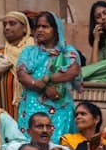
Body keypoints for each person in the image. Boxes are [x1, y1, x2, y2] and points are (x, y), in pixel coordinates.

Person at [16, 10, 81, 138]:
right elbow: (21, 74)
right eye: (37, 27)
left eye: (45, 26)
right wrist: (43, 87)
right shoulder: (29, 52)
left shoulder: (66, 51)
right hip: (31, 107)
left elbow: (73, 71)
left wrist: (47, 79)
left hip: (59, 106)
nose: (40, 30)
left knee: (57, 147)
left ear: (56, 30)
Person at [0, 10, 33, 115]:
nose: (7, 28)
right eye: (4, 25)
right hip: (3, 108)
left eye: (12, 24)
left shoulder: (33, 52)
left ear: (25, 28)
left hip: (27, 107)